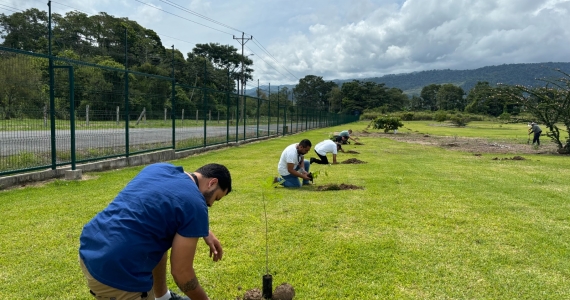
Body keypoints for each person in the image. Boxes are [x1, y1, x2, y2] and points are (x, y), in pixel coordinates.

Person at [79, 162, 232, 300]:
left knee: (160, 237)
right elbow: (182, 274)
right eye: (216, 198)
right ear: (212, 183)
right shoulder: (196, 204)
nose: (211, 204)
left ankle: (163, 297)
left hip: (91, 247)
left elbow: (160, 204)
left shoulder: (160, 168)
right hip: (118, 273)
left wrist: (204, 230)